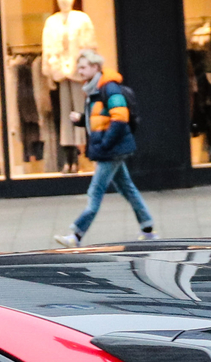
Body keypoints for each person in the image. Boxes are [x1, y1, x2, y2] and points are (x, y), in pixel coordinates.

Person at [60, 48, 155, 246]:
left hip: (111, 150)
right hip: (111, 148)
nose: (80, 70)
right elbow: (101, 119)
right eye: (79, 67)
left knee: (95, 192)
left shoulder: (108, 87)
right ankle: (148, 228)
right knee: (127, 188)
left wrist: (105, 145)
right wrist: (82, 120)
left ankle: (76, 235)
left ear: (96, 67)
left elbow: (120, 118)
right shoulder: (94, 88)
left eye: (84, 67)